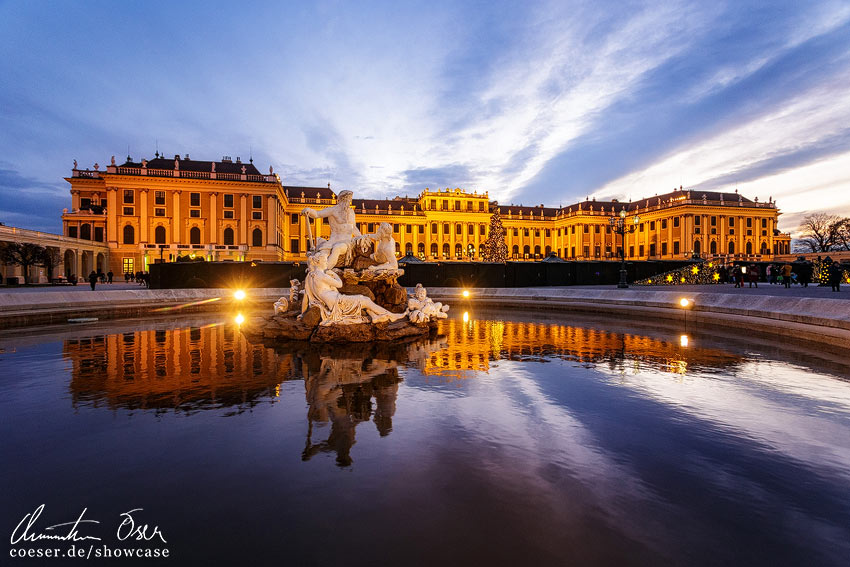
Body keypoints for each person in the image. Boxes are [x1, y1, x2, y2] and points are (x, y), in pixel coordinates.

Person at [302, 253, 406, 325]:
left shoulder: (310, 276)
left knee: (364, 301)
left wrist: (302, 314)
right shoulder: (322, 275)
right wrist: (333, 274)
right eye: (325, 260)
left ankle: (375, 317)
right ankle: (391, 315)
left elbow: (306, 297)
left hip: (334, 300)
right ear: (319, 262)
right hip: (337, 302)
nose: (326, 262)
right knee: (364, 299)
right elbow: (339, 284)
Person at [300, 190, 361, 269]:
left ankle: (324, 271)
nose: (348, 202)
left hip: (346, 242)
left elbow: (354, 228)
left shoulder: (351, 212)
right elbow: (317, 214)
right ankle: (317, 270)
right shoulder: (333, 210)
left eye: (349, 200)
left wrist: (361, 238)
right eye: (346, 199)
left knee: (337, 248)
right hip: (333, 240)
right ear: (340, 199)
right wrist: (309, 210)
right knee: (323, 253)